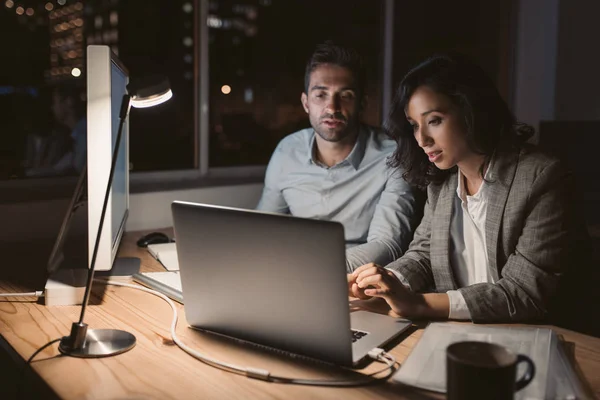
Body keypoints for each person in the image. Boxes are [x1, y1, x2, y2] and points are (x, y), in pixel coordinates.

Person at [348, 53, 592, 324]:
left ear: (470, 110)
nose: (422, 139)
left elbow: (523, 293)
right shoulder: (441, 182)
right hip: (458, 331)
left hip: (539, 336)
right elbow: (424, 254)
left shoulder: (542, 177)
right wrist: (383, 282)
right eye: (415, 126)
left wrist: (416, 304)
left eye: (435, 120)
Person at [257, 41, 422, 272]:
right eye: (321, 95)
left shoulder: (394, 155)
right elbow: (263, 229)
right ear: (306, 103)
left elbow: (387, 245)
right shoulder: (287, 151)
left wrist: (311, 268)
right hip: (290, 273)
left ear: (362, 103)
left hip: (359, 282)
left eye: (345, 96)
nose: (332, 107)